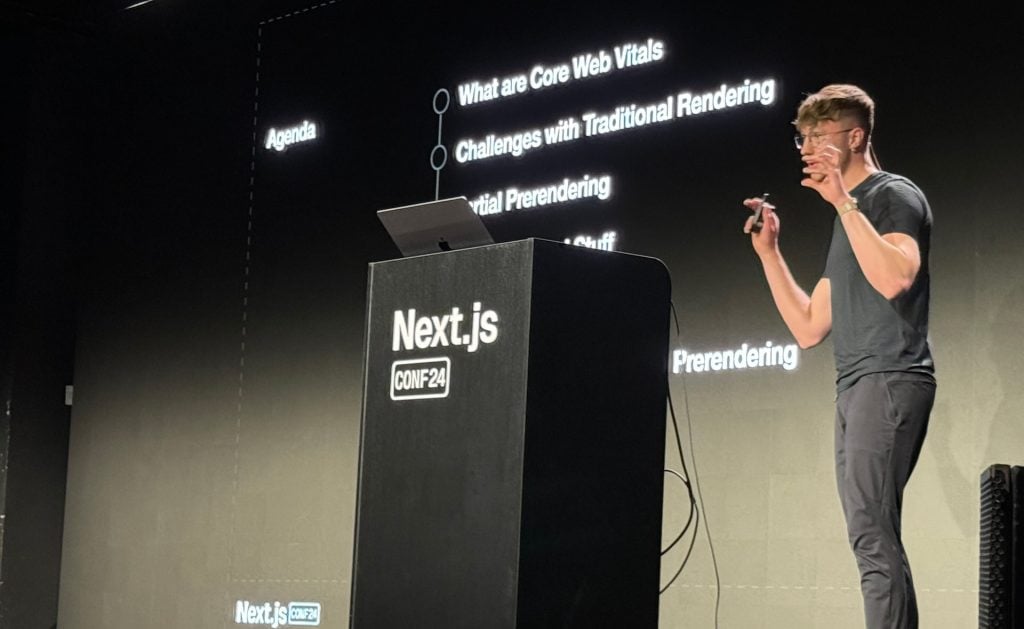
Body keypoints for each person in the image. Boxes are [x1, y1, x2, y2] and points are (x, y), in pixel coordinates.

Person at [742, 84, 936, 628]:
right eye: (802, 137)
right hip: (854, 384)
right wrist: (769, 253)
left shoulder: (892, 195)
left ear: (855, 137)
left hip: (891, 374)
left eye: (818, 136)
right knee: (869, 532)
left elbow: (896, 277)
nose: (806, 148)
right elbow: (809, 326)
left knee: (872, 533)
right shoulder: (846, 216)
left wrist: (845, 203)